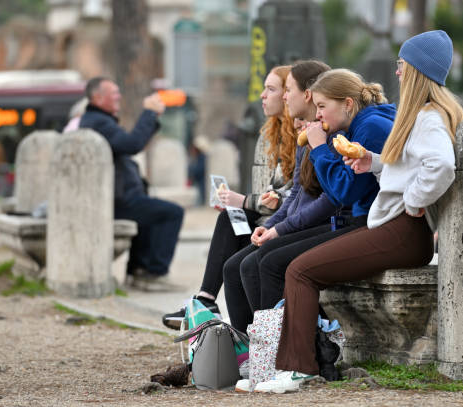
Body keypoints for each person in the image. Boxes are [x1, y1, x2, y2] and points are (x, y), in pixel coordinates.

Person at [255, 30, 463, 393]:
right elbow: (411, 164)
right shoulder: (423, 113)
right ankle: (293, 365)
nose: (397, 72)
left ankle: (299, 368)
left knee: (300, 271)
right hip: (395, 228)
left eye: (402, 64)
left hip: (401, 230)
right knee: (298, 269)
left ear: (417, 69)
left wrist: (414, 202)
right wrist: (373, 162)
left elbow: (440, 167)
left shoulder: (429, 116)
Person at [238, 68, 396, 315]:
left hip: (370, 226)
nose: (318, 113)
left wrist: (320, 147)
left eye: (322, 106)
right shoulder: (354, 127)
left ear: (347, 104)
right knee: (255, 259)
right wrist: (275, 227)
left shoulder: (371, 127)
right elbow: (311, 190)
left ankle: (286, 346)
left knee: (274, 263)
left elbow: (341, 193)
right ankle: (263, 345)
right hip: (357, 222)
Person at [161, 65, 297, 329]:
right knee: (230, 217)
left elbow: (290, 198)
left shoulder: (304, 133)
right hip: (267, 220)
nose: (262, 96)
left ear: (288, 95)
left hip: (285, 224)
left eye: (271, 89)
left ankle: (219, 314)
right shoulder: (267, 135)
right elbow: (265, 196)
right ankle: (205, 300)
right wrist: (238, 204)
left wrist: (244, 201)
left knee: (238, 245)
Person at [223, 60, 336, 333]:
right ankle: (249, 351)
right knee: (233, 266)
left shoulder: (328, 133)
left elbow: (331, 198)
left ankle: (274, 353)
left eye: (287, 89)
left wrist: (280, 229)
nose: (284, 97)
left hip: (326, 225)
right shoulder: (306, 134)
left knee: (260, 263)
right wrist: (270, 226)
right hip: (299, 223)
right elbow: (297, 190)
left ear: (307, 94)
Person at [79, 77, 184, 292]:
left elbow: (130, 144)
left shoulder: (98, 121)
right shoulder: (98, 122)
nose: (118, 96)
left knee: (148, 213)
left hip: (121, 197)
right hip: (120, 200)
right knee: (172, 213)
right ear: (97, 98)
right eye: (113, 93)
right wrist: (148, 112)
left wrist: (152, 117)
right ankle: (153, 273)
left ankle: (138, 271)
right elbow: (132, 144)